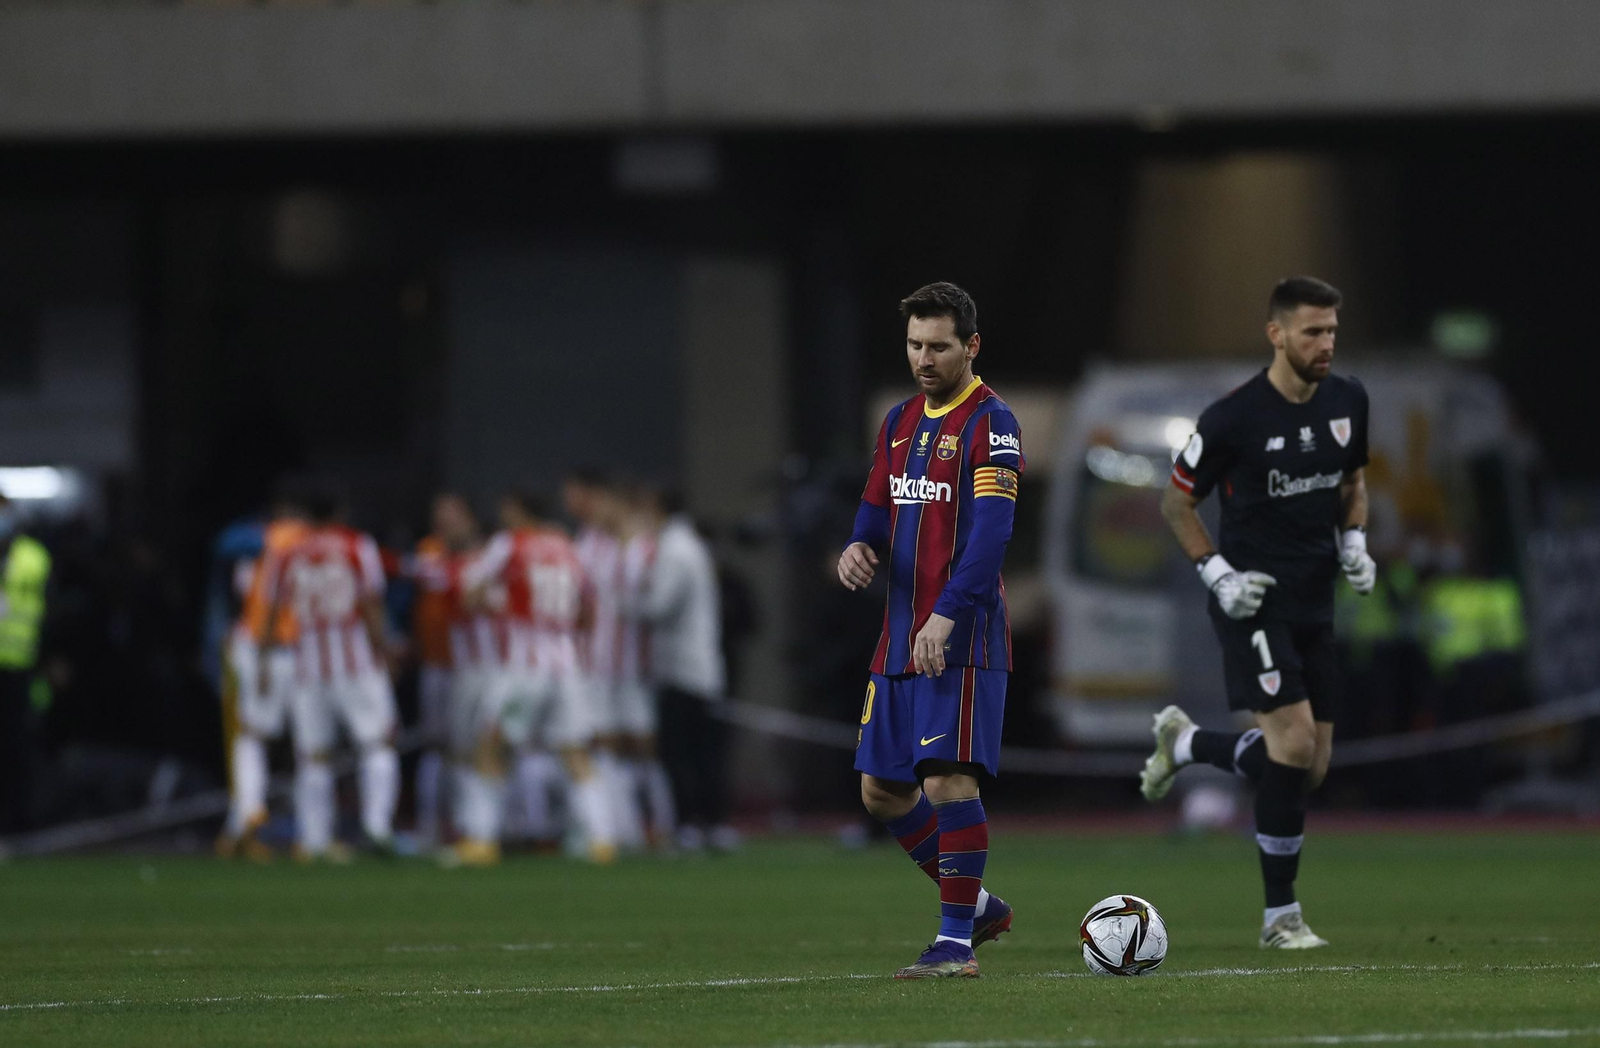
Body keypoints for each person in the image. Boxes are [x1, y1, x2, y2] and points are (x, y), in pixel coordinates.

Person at [1142, 276, 1375, 949]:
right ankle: (1281, 919)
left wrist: (1355, 541)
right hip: (1253, 601)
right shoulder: (1232, 418)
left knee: (1311, 767)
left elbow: (1353, 484)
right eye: (1312, 331)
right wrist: (1216, 574)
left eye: (1332, 330)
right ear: (1276, 334)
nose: (1325, 343)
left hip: (1315, 603)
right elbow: (1175, 503)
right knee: (1294, 747)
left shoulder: (1349, 400)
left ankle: (1187, 744)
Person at [837, 281, 1021, 979]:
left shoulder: (991, 422)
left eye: (938, 346)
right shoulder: (898, 420)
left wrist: (948, 615)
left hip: (961, 638)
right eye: (914, 344)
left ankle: (954, 943)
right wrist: (859, 545)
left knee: (947, 780)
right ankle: (976, 907)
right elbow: (877, 506)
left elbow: (992, 535)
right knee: (882, 791)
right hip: (898, 638)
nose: (923, 357)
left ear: (970, 346)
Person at [456, 490, 617, 865]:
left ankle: (481, 839)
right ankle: (602, 839)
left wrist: (500, 603)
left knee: (491, 745)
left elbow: (471, 595)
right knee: (574, 751)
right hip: (568, 664)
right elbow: (588, 609)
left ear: (516, 509)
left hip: (525, 666)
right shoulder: (567, 547)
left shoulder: (509, 545)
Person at [259, 483, 401, 860]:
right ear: (340, 512)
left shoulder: (287, 553)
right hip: (355, 662)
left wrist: (264, 663)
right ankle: (377, 829)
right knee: (377, 745)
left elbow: (271, 612)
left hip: (307, 665)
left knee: (313, 756)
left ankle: (314, 839)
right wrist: (384, 649)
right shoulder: (357, 545)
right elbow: (371, 602)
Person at [630, 483, 729, 852]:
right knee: (701, 751)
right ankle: (711, 824)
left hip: (683, 669)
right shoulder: (690, 544)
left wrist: (623, 602)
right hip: (697, 664)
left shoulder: (675, 548)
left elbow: (659, 605)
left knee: (681, 752)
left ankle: (692, 823)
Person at [216, 488, 307, 860]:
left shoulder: (257, 543)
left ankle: (246, 816)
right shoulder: (313, 543)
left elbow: (240, 590)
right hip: (301, 649)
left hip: (258, 646)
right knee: (307, 744)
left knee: (250, 737)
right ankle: (310, 834)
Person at [409, 493, 481, 851]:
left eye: (451, 516)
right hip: (438, 665)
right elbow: (426, 579)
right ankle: (430, 826)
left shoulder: (487, 555)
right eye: (439, 517)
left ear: (469, 518)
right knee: (437, 748)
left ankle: (472, 827)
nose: (444, 524)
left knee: (474, 747)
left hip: (477, 667)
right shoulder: (430, 552)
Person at [0, 493, 51, 836]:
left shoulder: (33, 556)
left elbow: (48, 611)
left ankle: (19, 821)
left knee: (17, 745)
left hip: (21, 664)